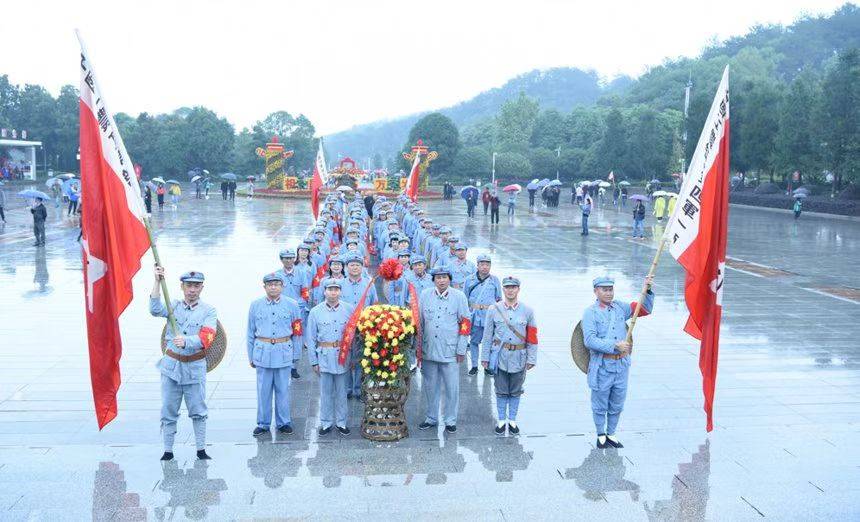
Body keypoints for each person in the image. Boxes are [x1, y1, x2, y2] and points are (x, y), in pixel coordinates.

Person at [150, 267, 217, 461]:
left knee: (198, 410)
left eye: (196, 286)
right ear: (182, 287)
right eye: (189, 285)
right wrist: (157, 281)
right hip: (171, 367)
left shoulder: (208, 310)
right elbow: (154, 309)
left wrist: (188, 341)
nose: (192, 290)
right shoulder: (174, 306)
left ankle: (201, 449)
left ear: (202, 288)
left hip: (194, 367)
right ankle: (168, 450)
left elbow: (209, 335)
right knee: (169, 409)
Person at [581, 275, 654, 449]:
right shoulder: (590, 312)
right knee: (600, 402)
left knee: (617, 401)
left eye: (610, 289)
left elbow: (643, 309)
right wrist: (614, 345)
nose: (608, 293)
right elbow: (589, 340)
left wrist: (648, 290)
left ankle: (611, 433)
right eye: (604, 289)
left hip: (621, 365)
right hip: (602, 366)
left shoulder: (620, 308)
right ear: (596, 291)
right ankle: (600, 434)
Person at [247, 273, 303, 437]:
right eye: (270, 284)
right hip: (262, 352)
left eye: (276, 284)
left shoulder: (292, 305)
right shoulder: (255, 305)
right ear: (264, 287)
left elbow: (298, 332)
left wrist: (296, 356)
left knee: (283, 390)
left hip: (283, 351)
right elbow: (250, 332)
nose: (273, 287)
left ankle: (283, 422)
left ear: (282, 286)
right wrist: (251, 356)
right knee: (263, 390)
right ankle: (263, 423)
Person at [481, 276, 538, 435]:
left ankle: (512, 420)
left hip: (519, 357)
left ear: (518, 289)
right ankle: (501, 420)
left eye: (513, 287)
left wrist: (532, 358)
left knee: (516, 390)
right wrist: (485, 357)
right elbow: (487, 336)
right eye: (507, 287)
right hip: (500, 357)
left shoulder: (528, 311)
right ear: (503, 289)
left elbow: (532, 337)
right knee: (500, 390)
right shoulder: (494, 309)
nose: (510, 290)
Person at [418, 266, 471, 433]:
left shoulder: (459, 296)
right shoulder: (425, 295)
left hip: (450, 350)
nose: (441, 280)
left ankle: (450, 419)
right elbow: (419, 321)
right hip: (429, 349)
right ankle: (431, 417)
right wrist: (417, 347)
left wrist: (462, 348)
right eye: (438, 277)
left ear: (449, 279)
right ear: (433, 280)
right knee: (430, 386)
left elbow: (465, 322)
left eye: (444, 277)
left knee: (451, 388)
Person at [306, 279, 355, 436]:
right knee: (325, 393)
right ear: (324, 291)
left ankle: (341, 422)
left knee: (342, 393)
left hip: (343, 356)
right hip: (324, 357)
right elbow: (311, 338)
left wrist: (353, 358)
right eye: (330, 289)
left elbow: (354, 336)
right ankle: (326, 423)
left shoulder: (349, 309)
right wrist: (313, 361)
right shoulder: (315, 311)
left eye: (336, 289)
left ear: (340, 292)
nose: (333, 292)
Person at [464, 254, 501, 376]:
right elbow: (465, 298)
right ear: (478, 265)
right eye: (482, 264)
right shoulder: (469, 279)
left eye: (487, 264)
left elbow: (499, 299)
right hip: (475, 316)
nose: (485, 267)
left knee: (489, 342)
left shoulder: (494, 280)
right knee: (474, 341)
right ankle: (474, 366)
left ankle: (487, 365)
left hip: (489, 316)